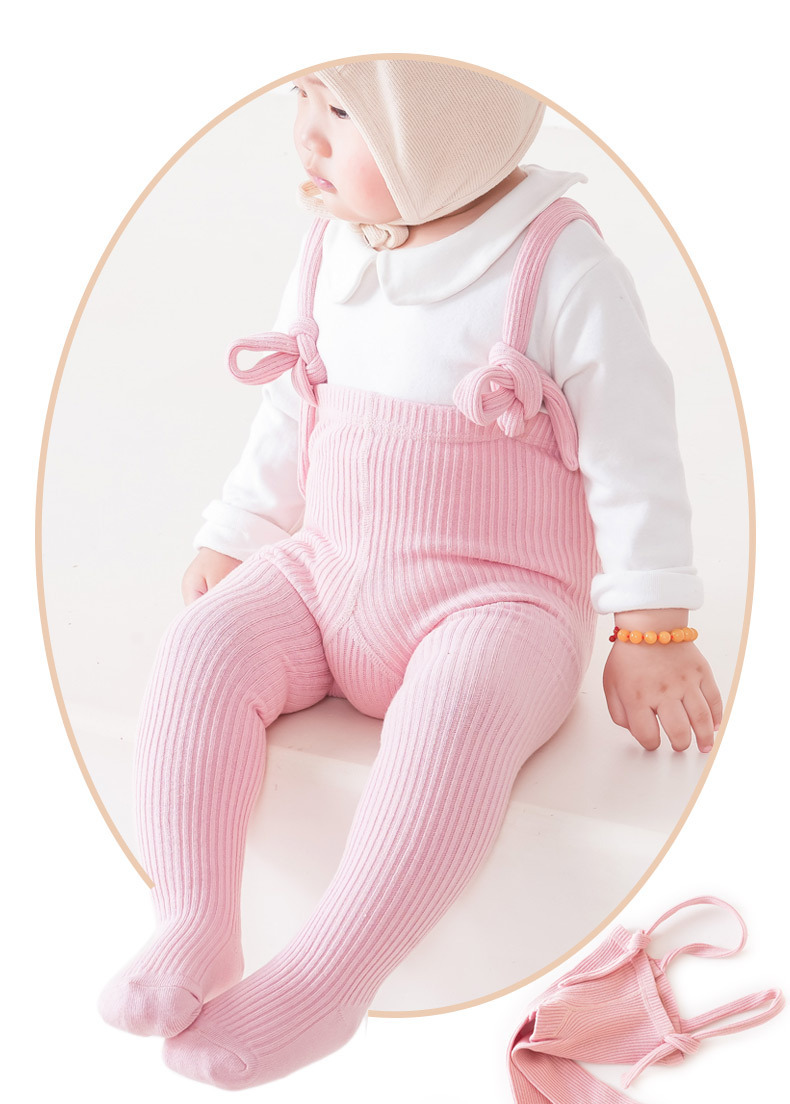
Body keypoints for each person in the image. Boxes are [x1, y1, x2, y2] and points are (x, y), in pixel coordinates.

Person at [97, 59, 723, 1090]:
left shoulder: (556, 265)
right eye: (302, 99)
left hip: (499, 604)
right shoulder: (330, 244)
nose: (305, 134)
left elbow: (634, 448)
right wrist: (239, 529)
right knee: (200, 646)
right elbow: (291, 406)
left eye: (342, 110)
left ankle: (328, 976)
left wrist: (651, 623)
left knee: (454, 717)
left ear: (448, 132)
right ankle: (193, 918)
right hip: (329, 569)